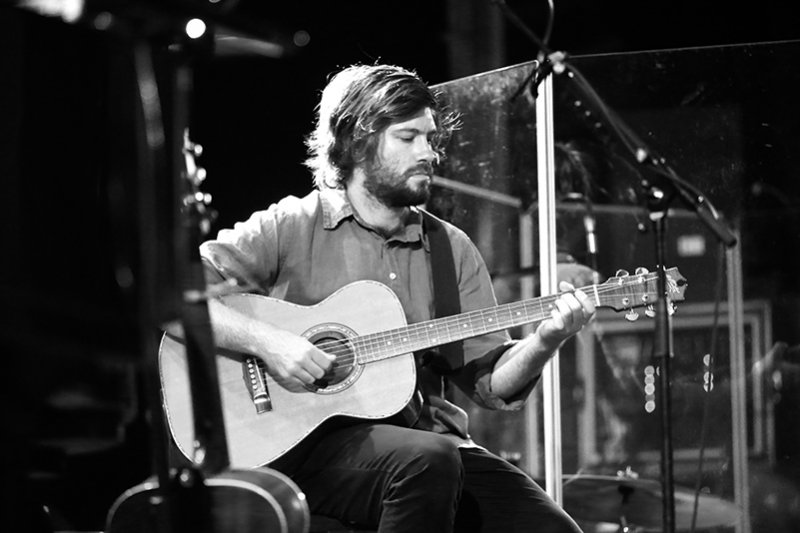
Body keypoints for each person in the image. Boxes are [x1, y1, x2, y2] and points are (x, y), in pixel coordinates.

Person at [198, 63, 596, 533]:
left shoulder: (449, 248)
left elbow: (490, 383)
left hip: (428, 441)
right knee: (426, 461)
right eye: (408, 138)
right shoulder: (289, 226)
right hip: (302, 442)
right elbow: (177, 300)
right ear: (357, 142)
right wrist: (270, 343)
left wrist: (547, 339)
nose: (428, 153)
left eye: (430, 139)